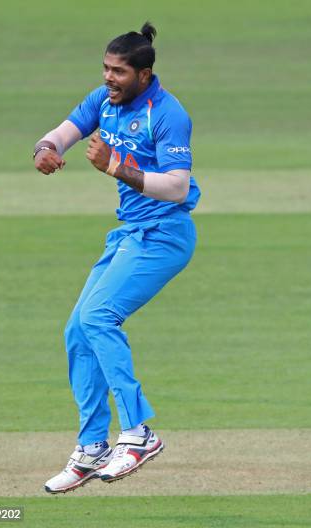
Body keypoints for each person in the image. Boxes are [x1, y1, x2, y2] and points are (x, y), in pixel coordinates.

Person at [34, 22, 200, 493]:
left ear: (144, 74)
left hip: (165, 235)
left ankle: (138, 433)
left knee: (100, 316)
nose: (109, 77)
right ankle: (91, 448)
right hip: (130, 233)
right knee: (77, 328)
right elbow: (65, 131)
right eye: (106, 68)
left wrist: (115, 167)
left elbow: (177, 187)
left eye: (119, 71)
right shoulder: (103, 100)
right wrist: (47, 149)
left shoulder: (168, 114)